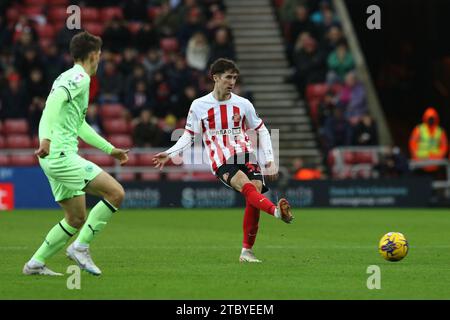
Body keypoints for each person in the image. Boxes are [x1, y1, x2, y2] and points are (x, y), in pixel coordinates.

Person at [152, 58, 294, 263]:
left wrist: (270, 160)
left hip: (245, 153)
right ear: (215, 78)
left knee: (253, 194)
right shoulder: (199, 105)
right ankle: (275, 212)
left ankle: (247, 252)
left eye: (235, 78)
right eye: (228, 77)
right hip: (220, 159)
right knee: (247, 186)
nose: (232, 82)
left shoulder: (243, 103)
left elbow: (260, 129)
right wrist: (171, 152)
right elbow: (189, 135)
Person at [23, 31, 129, 276]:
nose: (100, 60)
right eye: (99, 55)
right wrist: (46, 139)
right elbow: (51, 106)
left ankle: (35, 264)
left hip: (52, 157)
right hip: (60, 155)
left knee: (76, 217)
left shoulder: (67, 76)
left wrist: (110, 149)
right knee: (115, 193)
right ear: (93, 55)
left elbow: (79, 125)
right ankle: (80, 247)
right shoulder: (79, 77)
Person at [409, 107, 448, 173]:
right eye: (429, 118)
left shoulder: (440, 131)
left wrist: (439, 156)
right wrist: (416, 155)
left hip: (436, 162)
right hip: (421, 161)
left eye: (432, 118)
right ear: (425, 118)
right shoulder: (419, 129)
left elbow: (444, 146)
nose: (431, 120)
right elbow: (412, 144)